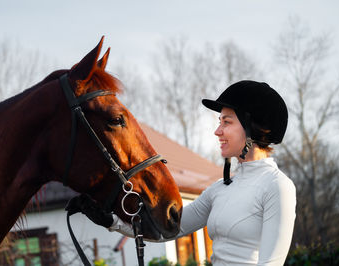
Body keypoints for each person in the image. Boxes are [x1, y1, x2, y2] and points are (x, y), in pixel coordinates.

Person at [72, 80, 296, 266]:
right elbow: (167, 230)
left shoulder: (277, 186)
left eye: (226, 122)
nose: (217, 131)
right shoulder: (220, 188)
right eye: (219, 122)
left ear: (252, 129)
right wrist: (111, 221)